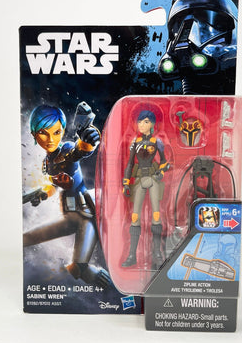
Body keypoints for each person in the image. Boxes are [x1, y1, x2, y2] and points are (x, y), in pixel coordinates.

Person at [23, 104, 110, 287]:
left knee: (79, 268)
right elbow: (54, 185)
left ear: (62, 131)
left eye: (56, 132)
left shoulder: (67, 148)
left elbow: (80, 151)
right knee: (26, 238)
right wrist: (42, 195)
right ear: (34, 134)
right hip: (69, 216)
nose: (50, 139)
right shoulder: (47, 162)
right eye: (43, 133)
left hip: (86, 215)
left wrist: (89, 136)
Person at [122, 109, 169, 268]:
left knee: (156, 214)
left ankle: (157, 254)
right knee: (135, 217)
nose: (141, 125)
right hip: (139, 179)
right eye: (140, 121)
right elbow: (130, 164)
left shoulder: (157, 142)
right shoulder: (135, 142)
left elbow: (164, 161)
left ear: (153, 124)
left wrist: (161, 172)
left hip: (153, 179)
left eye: (146, 122)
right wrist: (126, 182)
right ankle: (132, 255)